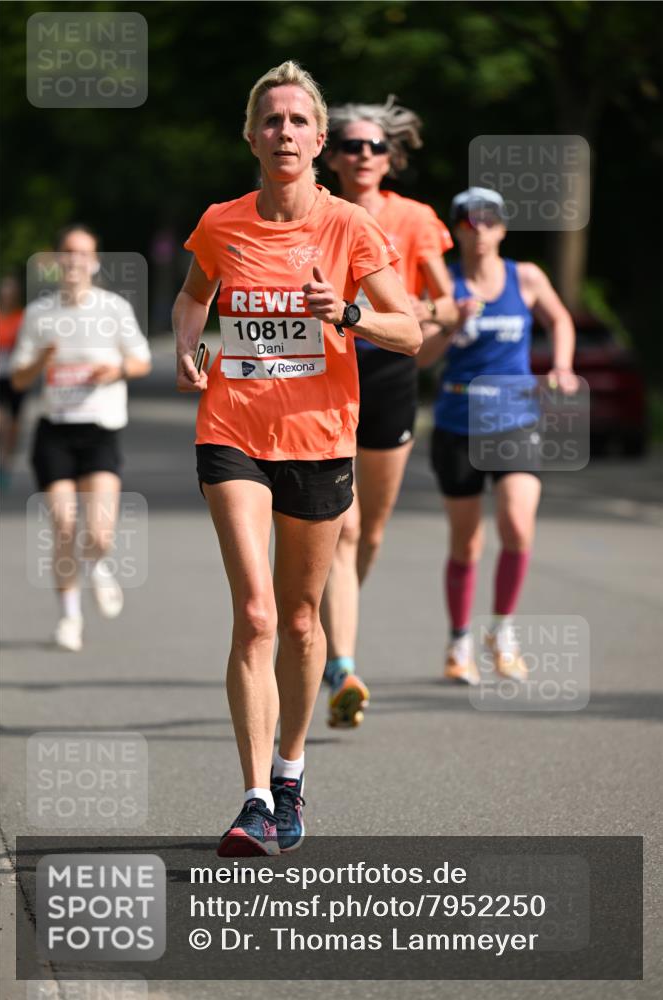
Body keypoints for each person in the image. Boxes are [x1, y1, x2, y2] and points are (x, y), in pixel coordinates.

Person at [173, 61, 420, 857]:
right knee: (255, 614)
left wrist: (345, 312)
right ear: (251, 136)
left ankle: (289, 773)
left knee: (302, 618)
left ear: (318, 140)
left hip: (318, 438)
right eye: (271, 120)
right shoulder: (220, 222)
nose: (284, 132)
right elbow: (191, 294)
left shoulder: (350, 226)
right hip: (233, 430)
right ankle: (251, 801)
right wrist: (187, 345)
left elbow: (408, 327)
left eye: (297, 122)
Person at [320, 96, 456, 727]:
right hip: (326, 371)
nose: (365, 155)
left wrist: (422, 315)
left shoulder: (416, 218)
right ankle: (342, 662)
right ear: (334, 154)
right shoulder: (315, 212)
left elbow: (446, 302)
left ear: (390, 155)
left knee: (369, 530)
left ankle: (334, 616)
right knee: (342, 529)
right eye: (352, 145)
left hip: (392, 369)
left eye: (376, 146)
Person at [418, 188, 577, 684]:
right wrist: (450, 325)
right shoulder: (441, 286)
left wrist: (563, 366)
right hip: (457, 423)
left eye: (490, 220)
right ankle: (459, 640)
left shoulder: (525, 277)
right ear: (458, 229)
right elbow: (420, 357)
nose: (480, 229)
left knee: (517, 524)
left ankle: (502, 630)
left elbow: (560, 319)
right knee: (466, 544)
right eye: (469, 221)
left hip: (515, 420)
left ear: (503, 229)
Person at [10, 225, 151, 652]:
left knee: (101, 533)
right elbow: (18, 378)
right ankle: (70, 618)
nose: (74, 261)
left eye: (83, 254)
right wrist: (41, 360)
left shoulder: (112, 309)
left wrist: (116, 370)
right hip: (55, 432)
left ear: (94, 262)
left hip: (100, 431)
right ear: (56, 261)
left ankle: (98, 567)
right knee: (65, 526)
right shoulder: (40, 314)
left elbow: (141, 360)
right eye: (67, 253)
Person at [0, 274, 26, 489]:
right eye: (5, 291)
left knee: (13, 423)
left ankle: (5, 465)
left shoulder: (22, 317)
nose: (8, 295)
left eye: (12, 292)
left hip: (15, 375)